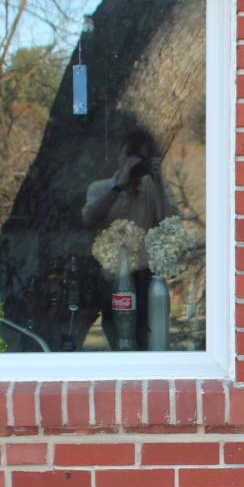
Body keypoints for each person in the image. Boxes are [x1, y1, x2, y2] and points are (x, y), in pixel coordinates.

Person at [82, 130, 176, 350]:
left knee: (148, 342)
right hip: (112, 280)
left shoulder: (155, 188)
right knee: (119, 341)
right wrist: (117, 188)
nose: (133, 164)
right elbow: (88, 220)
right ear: (119, 157)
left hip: (145, 280)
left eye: (140, 158)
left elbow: (168, 226)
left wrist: (157, 184)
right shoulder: (100, 188)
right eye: (129, 156)